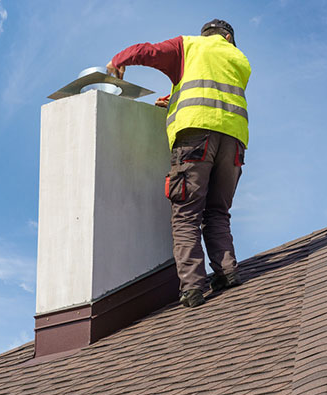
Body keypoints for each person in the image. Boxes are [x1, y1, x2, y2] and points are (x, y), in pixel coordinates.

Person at [106, 19, 251, 307]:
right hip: (233, 142)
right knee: (218, 211)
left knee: (186, 213)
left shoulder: (190, 45)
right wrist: (173, 99)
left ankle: (193, 287)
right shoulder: (239, 59)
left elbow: (148, 51)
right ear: (228, 37)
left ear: (207, 34)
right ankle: (227, 272)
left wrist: (117, 60)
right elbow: (212, 93)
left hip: (195, 138)